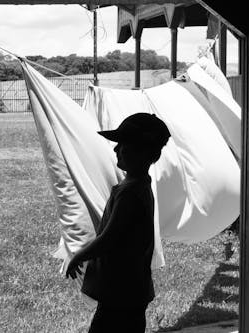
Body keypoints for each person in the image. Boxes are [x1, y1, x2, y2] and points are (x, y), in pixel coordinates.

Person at [65, 113, 171, 333]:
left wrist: (79, 256)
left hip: (119, 291)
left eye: (123, 144)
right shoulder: (140, 184)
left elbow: (109, 238)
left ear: (142, 152)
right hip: (131, 289)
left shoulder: (130, 192)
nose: (116, 149)